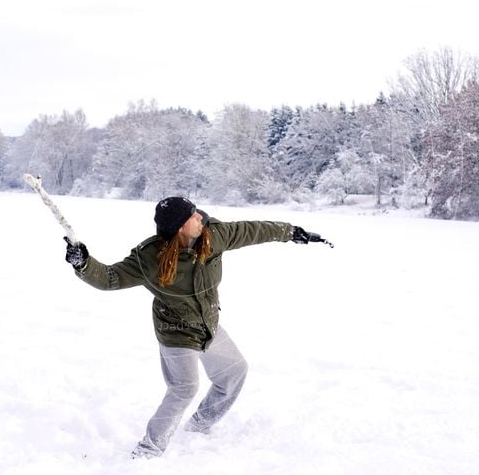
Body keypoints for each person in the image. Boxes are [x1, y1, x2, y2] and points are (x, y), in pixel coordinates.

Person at [63, 196, 322, 459]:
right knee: (184, 388)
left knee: (234, 372)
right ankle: (148, 451)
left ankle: (198, 426)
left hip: (208, 324)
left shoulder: (213, 236)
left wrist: (290, 232)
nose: (200, 216)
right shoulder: (150, 257)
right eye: (192, 216)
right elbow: (110, 278)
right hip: (176, 330)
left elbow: (252, 230)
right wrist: (83, 263)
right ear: (179, 227)